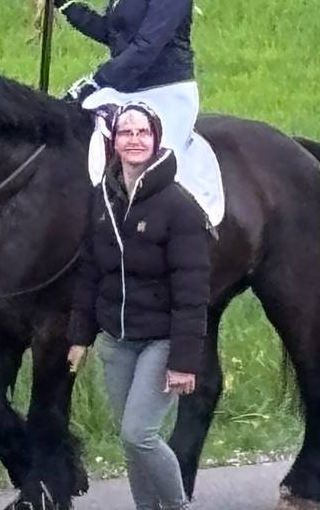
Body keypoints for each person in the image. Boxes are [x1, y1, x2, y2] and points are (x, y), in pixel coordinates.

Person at [66, 103, 211, 510]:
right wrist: (80, 336)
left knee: (138, 434)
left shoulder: (178, 207)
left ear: (155, 139)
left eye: (142, 132)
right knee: (131, 444)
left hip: (162, 342)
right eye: (126, 133)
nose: (134, 140)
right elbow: (90, 272)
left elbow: (192, 289)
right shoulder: (104, 200)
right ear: (114, 141)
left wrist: (184, 361)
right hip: (117, 341)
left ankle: (180, 506)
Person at [48, 0, 214, 213]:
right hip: (126, 86)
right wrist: (64, 3)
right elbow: (113, 31)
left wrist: (95, 80)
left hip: (166, 91)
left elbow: (145, 48)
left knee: (145, 163)